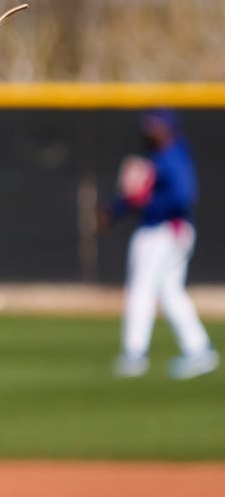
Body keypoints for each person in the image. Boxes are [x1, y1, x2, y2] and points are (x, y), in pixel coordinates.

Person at [98, 108, 218, 380]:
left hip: (163, 230)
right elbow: (134, 197)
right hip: (167, 230)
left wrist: (145, 201)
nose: (149, 130)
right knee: (170, 291)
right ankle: (199, 349)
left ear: (168, 128)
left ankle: (134, 354)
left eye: (155, 126)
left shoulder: (171, 157)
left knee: (142, 289)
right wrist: (114, 211)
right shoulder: (160, 158)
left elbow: (182, 197)